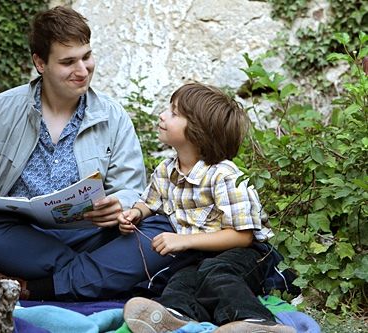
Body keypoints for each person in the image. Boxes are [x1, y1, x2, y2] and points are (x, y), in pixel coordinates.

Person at [0, 6, 174, 302]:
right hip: (21, 238)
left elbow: (132, 189)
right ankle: (102, 277)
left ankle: (39, 286)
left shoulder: (113, 116)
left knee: (160, 230)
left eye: (86, 56)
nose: (82, 70)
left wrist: (121, 205)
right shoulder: (1, 110)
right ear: (40, 63)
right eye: (68, 62)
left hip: (93, 236)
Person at [118, 83, 296, 332]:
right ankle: (175, 319)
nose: (162, 115)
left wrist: (184, 241)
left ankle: (256, 322)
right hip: (196, 257)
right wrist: (136, 213)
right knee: (181, 282)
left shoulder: (223, 175)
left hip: (244, 255)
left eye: (174, 113)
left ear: (198, 132)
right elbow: (149, 202)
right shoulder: (166, 170)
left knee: (216, 273)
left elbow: (243, 236)